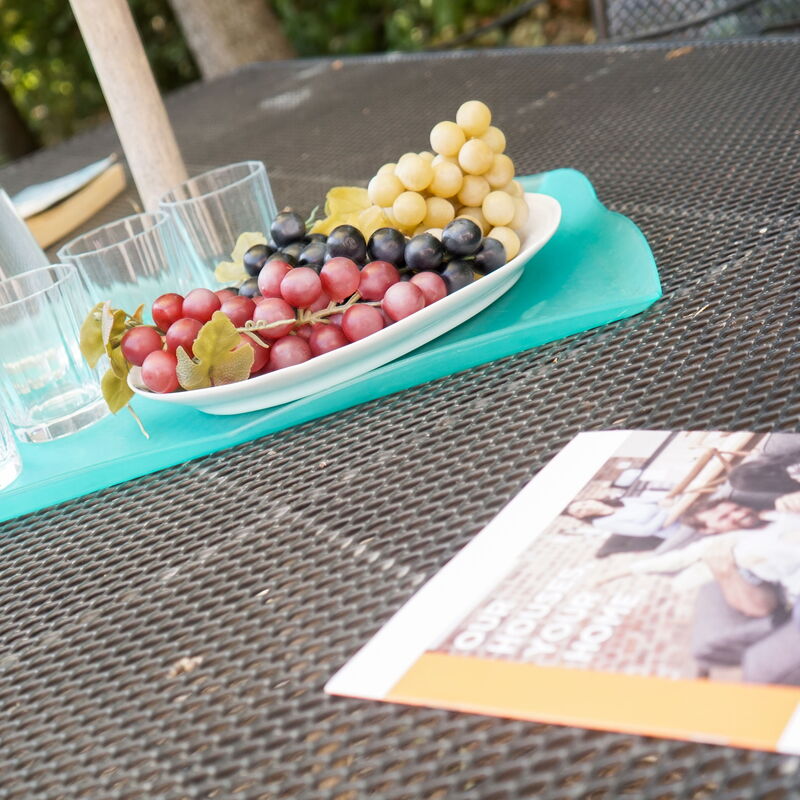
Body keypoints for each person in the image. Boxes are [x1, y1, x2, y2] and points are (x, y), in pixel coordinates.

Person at [565, 496, 675, 558]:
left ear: (590, 500)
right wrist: (665, 511)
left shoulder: (621, 501)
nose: (586, 507)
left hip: (677, 510)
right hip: (672, 528)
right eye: (579, 511)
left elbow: (658, 499)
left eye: (583, 503)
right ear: (581, 516)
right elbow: (645, 530)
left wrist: (666, 503)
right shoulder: (603, 523)